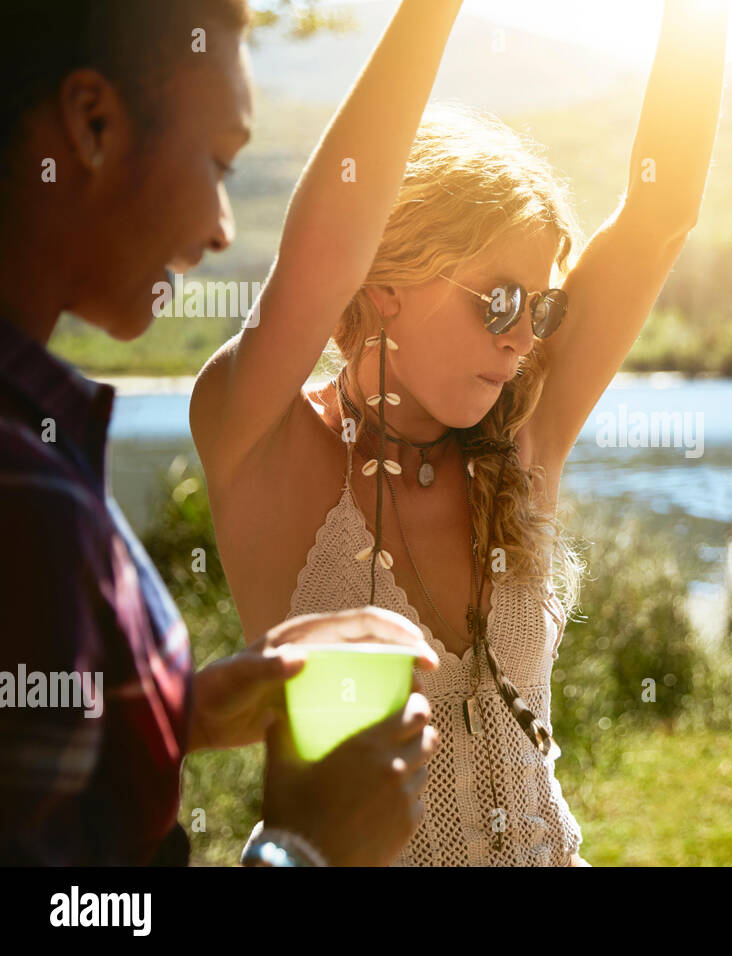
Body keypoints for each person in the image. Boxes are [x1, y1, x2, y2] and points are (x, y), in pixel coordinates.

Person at [189, 0, 727, 866]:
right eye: (499, 300)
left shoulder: (521, 438)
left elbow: (662, 207)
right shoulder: (262, 442)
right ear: (388, 278)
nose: (523, 337)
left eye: (541, 307)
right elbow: (325, 244)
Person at [0, 0, 440, 867]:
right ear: (92, 123)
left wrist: (170, 715)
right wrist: (304, 846)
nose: (221, 230)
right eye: (218, 163)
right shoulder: (28, 503)